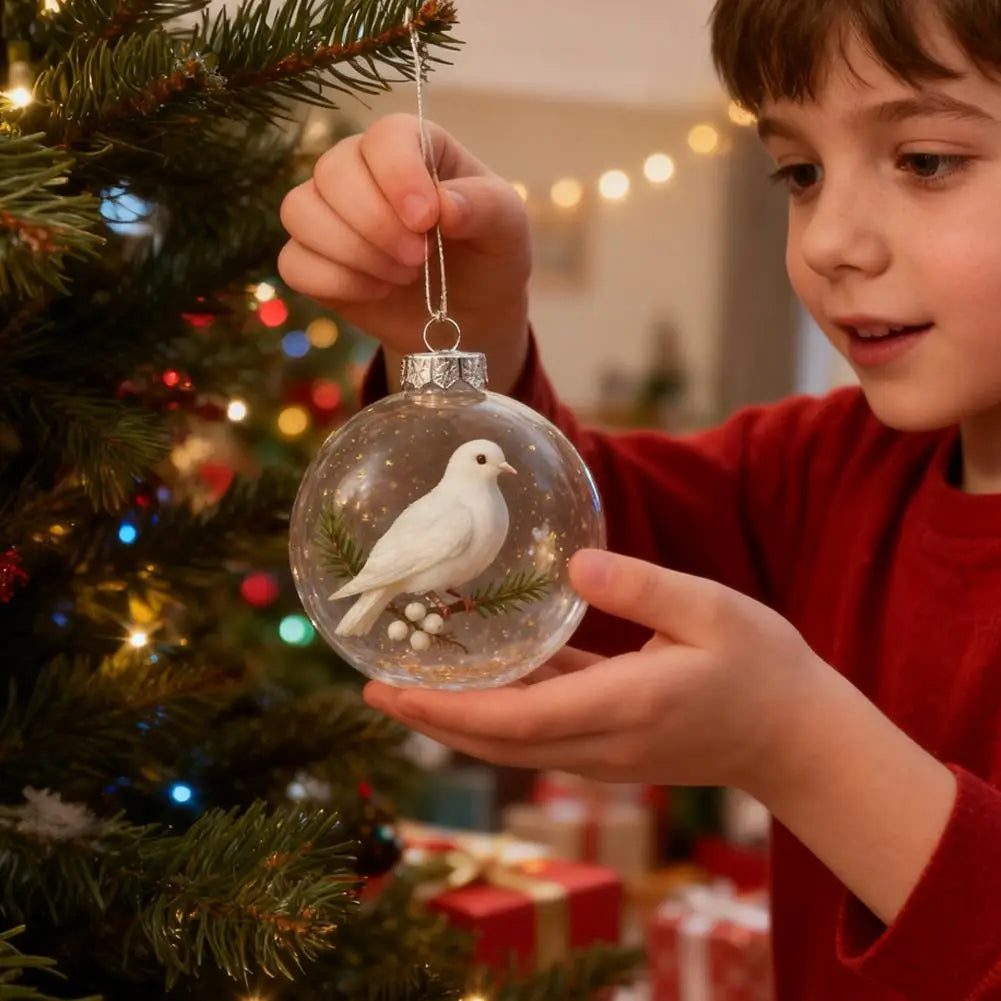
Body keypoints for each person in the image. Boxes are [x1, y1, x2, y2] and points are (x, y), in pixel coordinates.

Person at [276, 1, 1001, 998]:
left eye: (924, 159)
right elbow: (592, 558)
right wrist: (468, 334)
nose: (829, 239)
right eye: (798, 172)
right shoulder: (822, 468)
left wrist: (800, 748)